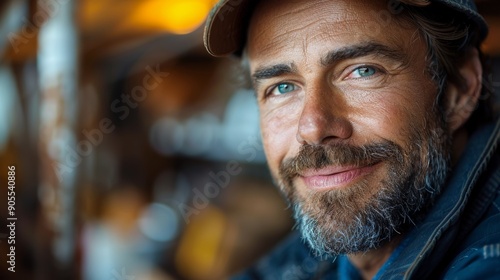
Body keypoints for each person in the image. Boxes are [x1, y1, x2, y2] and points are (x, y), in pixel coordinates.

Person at [204, 0, 500, 279]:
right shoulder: (334, 253)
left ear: (459, 89)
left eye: (362, 71)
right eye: (281, 88)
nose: (313, 128)